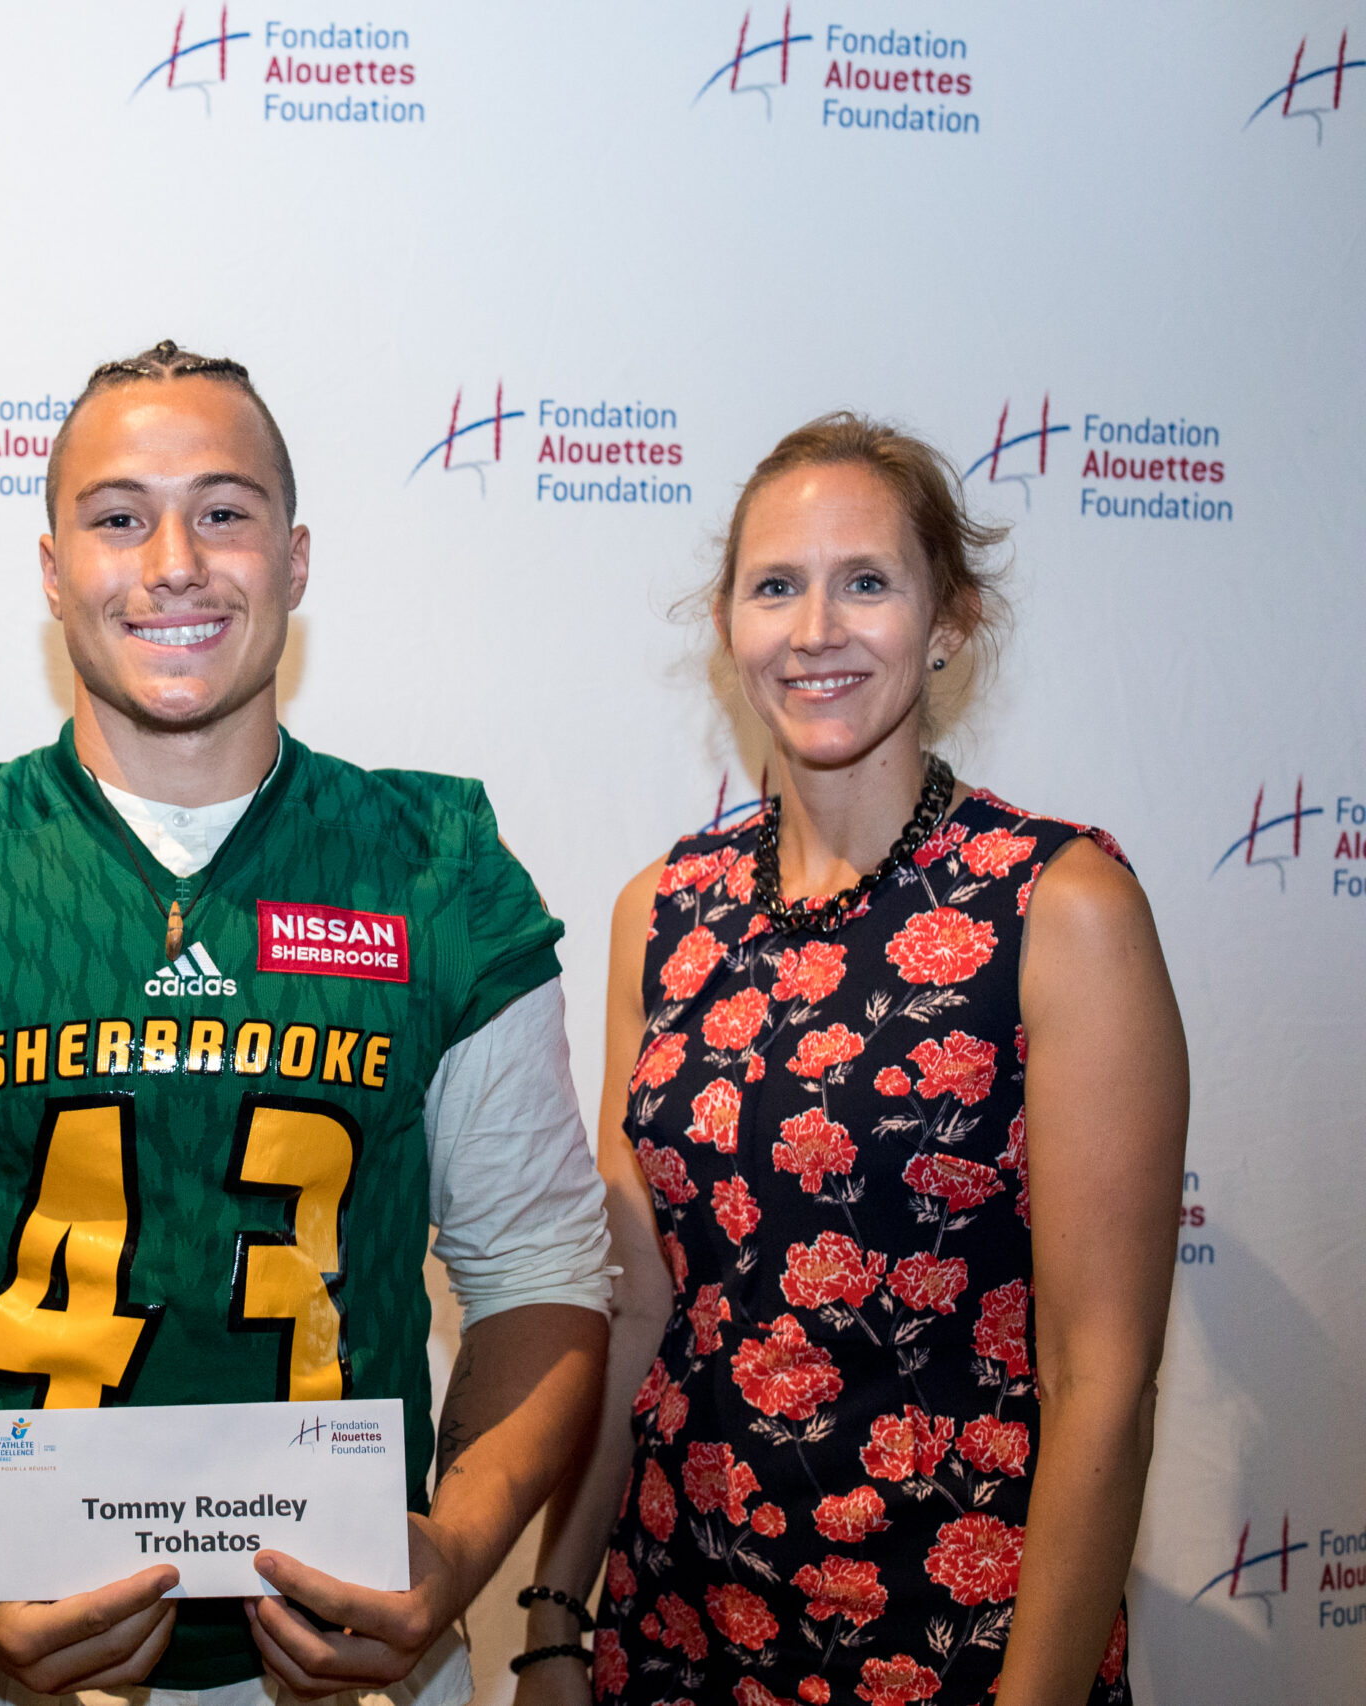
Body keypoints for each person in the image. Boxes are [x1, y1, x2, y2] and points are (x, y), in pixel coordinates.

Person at [0, 340, 613, 1706]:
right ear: (52, 571)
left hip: (360, 1670)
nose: (173, 561)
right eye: (117, 516)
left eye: (224, 510)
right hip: (6, 1669)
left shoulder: (430, 867)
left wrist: (453, 1551)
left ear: (297, 557)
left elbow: (543, 1272)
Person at [511, 414, 1188, 1705]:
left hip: (957, 1642)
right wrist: (555, 1610)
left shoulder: (1060, 905)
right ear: (728, 624)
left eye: (865, 580)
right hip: (678, 1626)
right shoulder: (661, 910)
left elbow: (1104, 1377)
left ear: (949, 621)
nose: (815, 626)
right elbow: (637, 1306)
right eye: (776, 584)